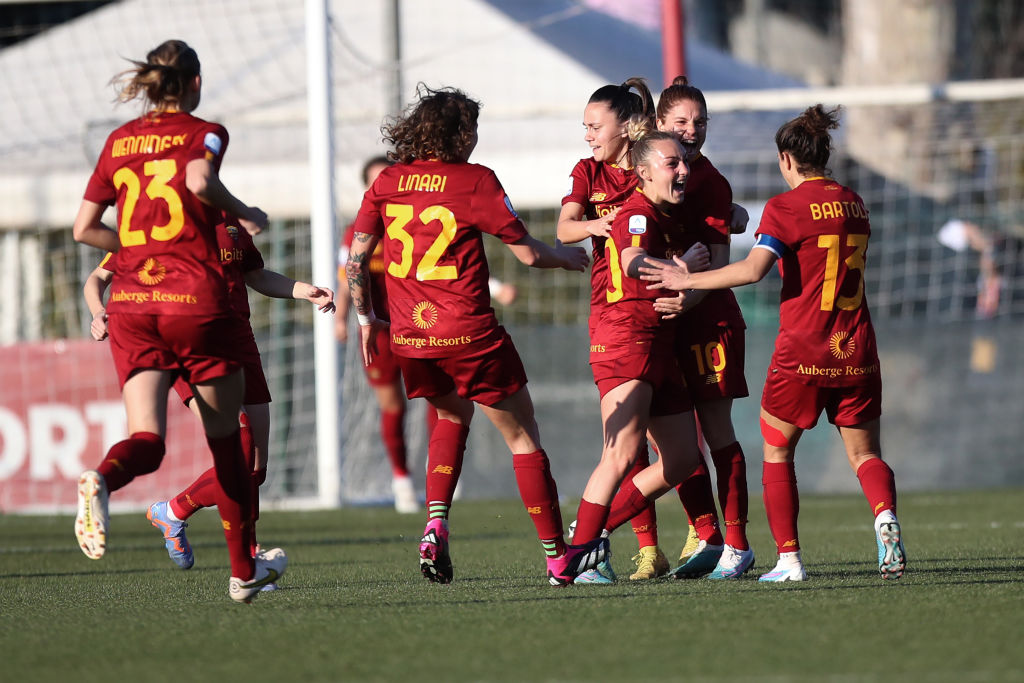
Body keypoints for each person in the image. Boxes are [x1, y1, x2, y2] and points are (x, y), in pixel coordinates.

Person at [347, 84, 608, 586]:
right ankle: (558, 559)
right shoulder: (474, 180)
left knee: (449, 414)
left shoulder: (388, 181)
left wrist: (365, 319)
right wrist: (568, 256)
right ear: (461, 134)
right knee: (523, 437)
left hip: (411, 338)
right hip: (469, 335)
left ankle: (435, 524)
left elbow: (358, 259)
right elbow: (528, 252)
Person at [641, 104, 907, 582]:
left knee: (778, 450)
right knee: (866, 454)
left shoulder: (785, 208)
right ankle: (885, 517)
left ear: (786, 159)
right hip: (858, 347)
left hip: (804, 350)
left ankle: (788, 560)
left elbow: (752, 270)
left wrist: (689, 278)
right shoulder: (854, 202)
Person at [71, 39, 286, 603]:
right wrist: (246, 212)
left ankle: (102, 479)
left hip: (133, 305)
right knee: (229, 450)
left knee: (147, 438)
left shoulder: (119, 140)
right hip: (195, 302)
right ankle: (243, 574)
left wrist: (140, 248)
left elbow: (84, 228)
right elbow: (197, 181)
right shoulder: (206, 130)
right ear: (194, 82)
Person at [83, 213, 334, 575]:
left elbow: (256, 276)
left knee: (255, 469)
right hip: (191, 342)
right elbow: (98, 278)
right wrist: (98, 312)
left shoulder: (229, 225)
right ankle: (250, 562)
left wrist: (302, 290)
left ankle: (173, 512)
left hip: (238, 340)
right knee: (240, 443)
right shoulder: (158, 223)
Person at [336, 156, 517, 513]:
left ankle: (443, 475)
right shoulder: (358, 232)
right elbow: (349, 275)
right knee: (392, 405)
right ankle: (402, 479)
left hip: (424, 325)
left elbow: (450, 262)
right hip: (381, 330)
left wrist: (494, 287)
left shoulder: (420, 217)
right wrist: (343, 318)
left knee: (441, 404)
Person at [568, 124, 710, 565]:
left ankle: (590, 531)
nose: (683, 170)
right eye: (673, 163)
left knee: (684, 456)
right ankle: (573, 559)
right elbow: (630, 260)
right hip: (627, 338)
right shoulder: (638, 214)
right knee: (621, 452)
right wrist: (680, 269)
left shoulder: (663, 211)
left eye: (684, 162)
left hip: (656, 341)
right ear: (644, 172)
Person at [653, 77, 754, 580]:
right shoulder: (642, 173)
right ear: (658, 126)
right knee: (669, 444)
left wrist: (682, 297)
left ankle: (737, 544)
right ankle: (708, 537)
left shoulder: (710, 183)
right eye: (681, 123)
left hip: (706, 322)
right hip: (658, 328)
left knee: (717, 434)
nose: (692, 131)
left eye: (700, 122)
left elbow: (719, 269)